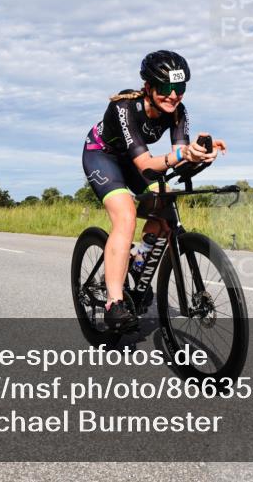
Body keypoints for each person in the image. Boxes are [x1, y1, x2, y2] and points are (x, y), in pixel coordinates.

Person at [82, 50, 226, 331]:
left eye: (180, 88)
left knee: (165, 204)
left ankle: (138, 263)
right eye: (165, 87)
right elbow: (146, 164)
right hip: (103, 156)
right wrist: (183, 153)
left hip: (135, 161)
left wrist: (200, 155)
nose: (173, 95)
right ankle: (114, 302)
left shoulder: (179, 112)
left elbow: (178, 157)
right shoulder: (124, 107)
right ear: (148, 86)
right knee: (125, 217)